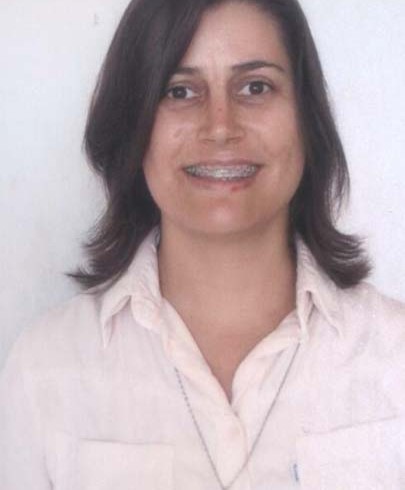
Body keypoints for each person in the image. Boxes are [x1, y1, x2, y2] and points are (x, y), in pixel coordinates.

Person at [1, 0, 405, 488]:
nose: (220, 127)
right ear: (134, 125)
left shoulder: (394, 355)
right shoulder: (46, 369)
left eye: (255, 87)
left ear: (307, 117)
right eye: (180, 91)